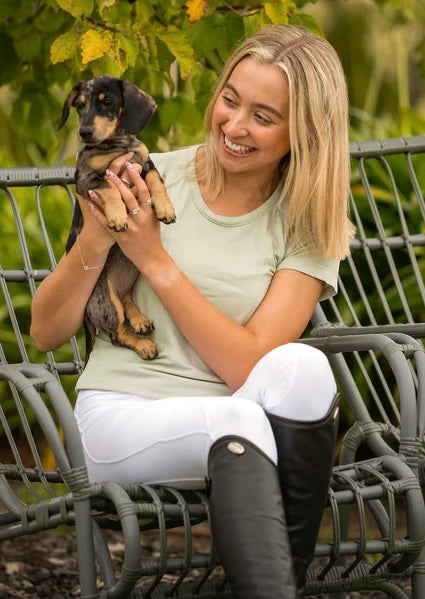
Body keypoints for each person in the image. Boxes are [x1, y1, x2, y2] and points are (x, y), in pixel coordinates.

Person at [31, 24, 354, 599]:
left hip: (237, 417)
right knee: (245, 420)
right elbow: (46, 333)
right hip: (121, 417)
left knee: (305, 368)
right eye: (229, 100)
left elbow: (249, 370)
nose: (234, 126)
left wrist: (156, 261)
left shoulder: (308, 219)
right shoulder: (138, 173)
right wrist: (96, 241)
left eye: (263, 115)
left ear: (303, 131)